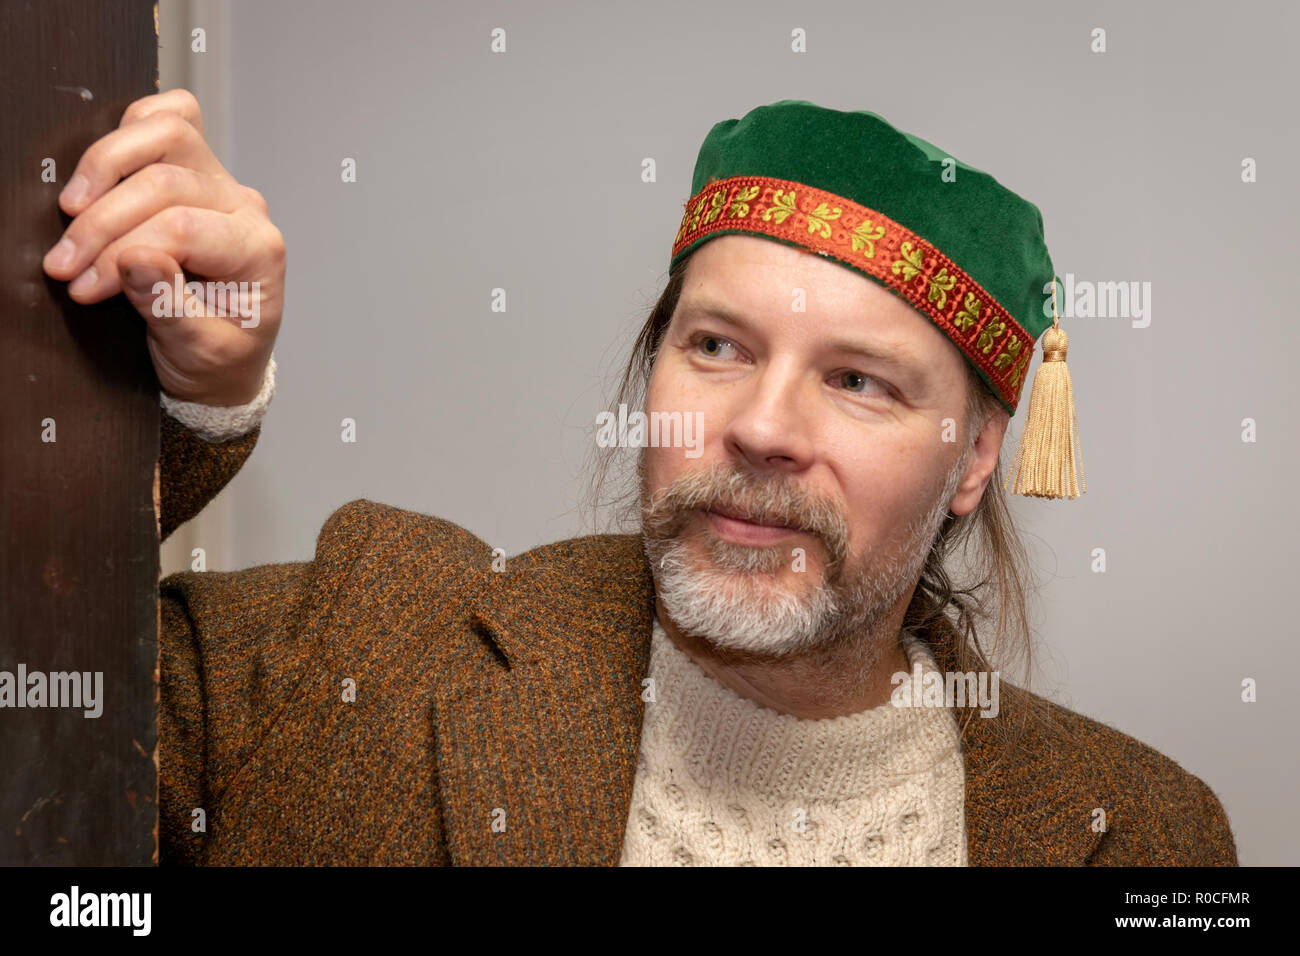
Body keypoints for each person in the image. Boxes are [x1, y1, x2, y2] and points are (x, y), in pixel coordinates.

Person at [44, 91, 1237, 866]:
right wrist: (199, 402)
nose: (760, 427)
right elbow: (40, 721)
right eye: (716, 346)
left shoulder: (1143, 834)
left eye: (860, 381)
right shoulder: (362, 637)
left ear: (974, 455)